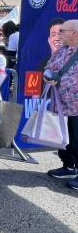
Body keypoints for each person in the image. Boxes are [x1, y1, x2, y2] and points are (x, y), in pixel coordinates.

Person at [44, 19, 78, 190]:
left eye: (62, 31)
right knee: (64, 139)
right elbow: (49, 66)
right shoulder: (62, 50)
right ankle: (68, 166)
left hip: (76, 107)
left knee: (77, 139)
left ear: (75, 33)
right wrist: (47, 75)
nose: (59, 34)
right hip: (61, 104)